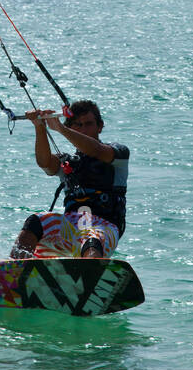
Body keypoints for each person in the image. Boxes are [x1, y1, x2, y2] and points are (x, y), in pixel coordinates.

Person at [10, 100, 129, 261]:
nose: (84, 130)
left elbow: (95, 150)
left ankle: (90, 275)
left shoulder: (117, 154)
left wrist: (60, 128)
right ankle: (13, 272)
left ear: (100, 126)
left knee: (91, 240)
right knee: (35, 222)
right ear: (71, 127)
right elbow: (45, 162)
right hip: (70, 226)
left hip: (105, 227)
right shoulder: (67, 160)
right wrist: (39, 127)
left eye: (89, 124)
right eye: (78, 125)